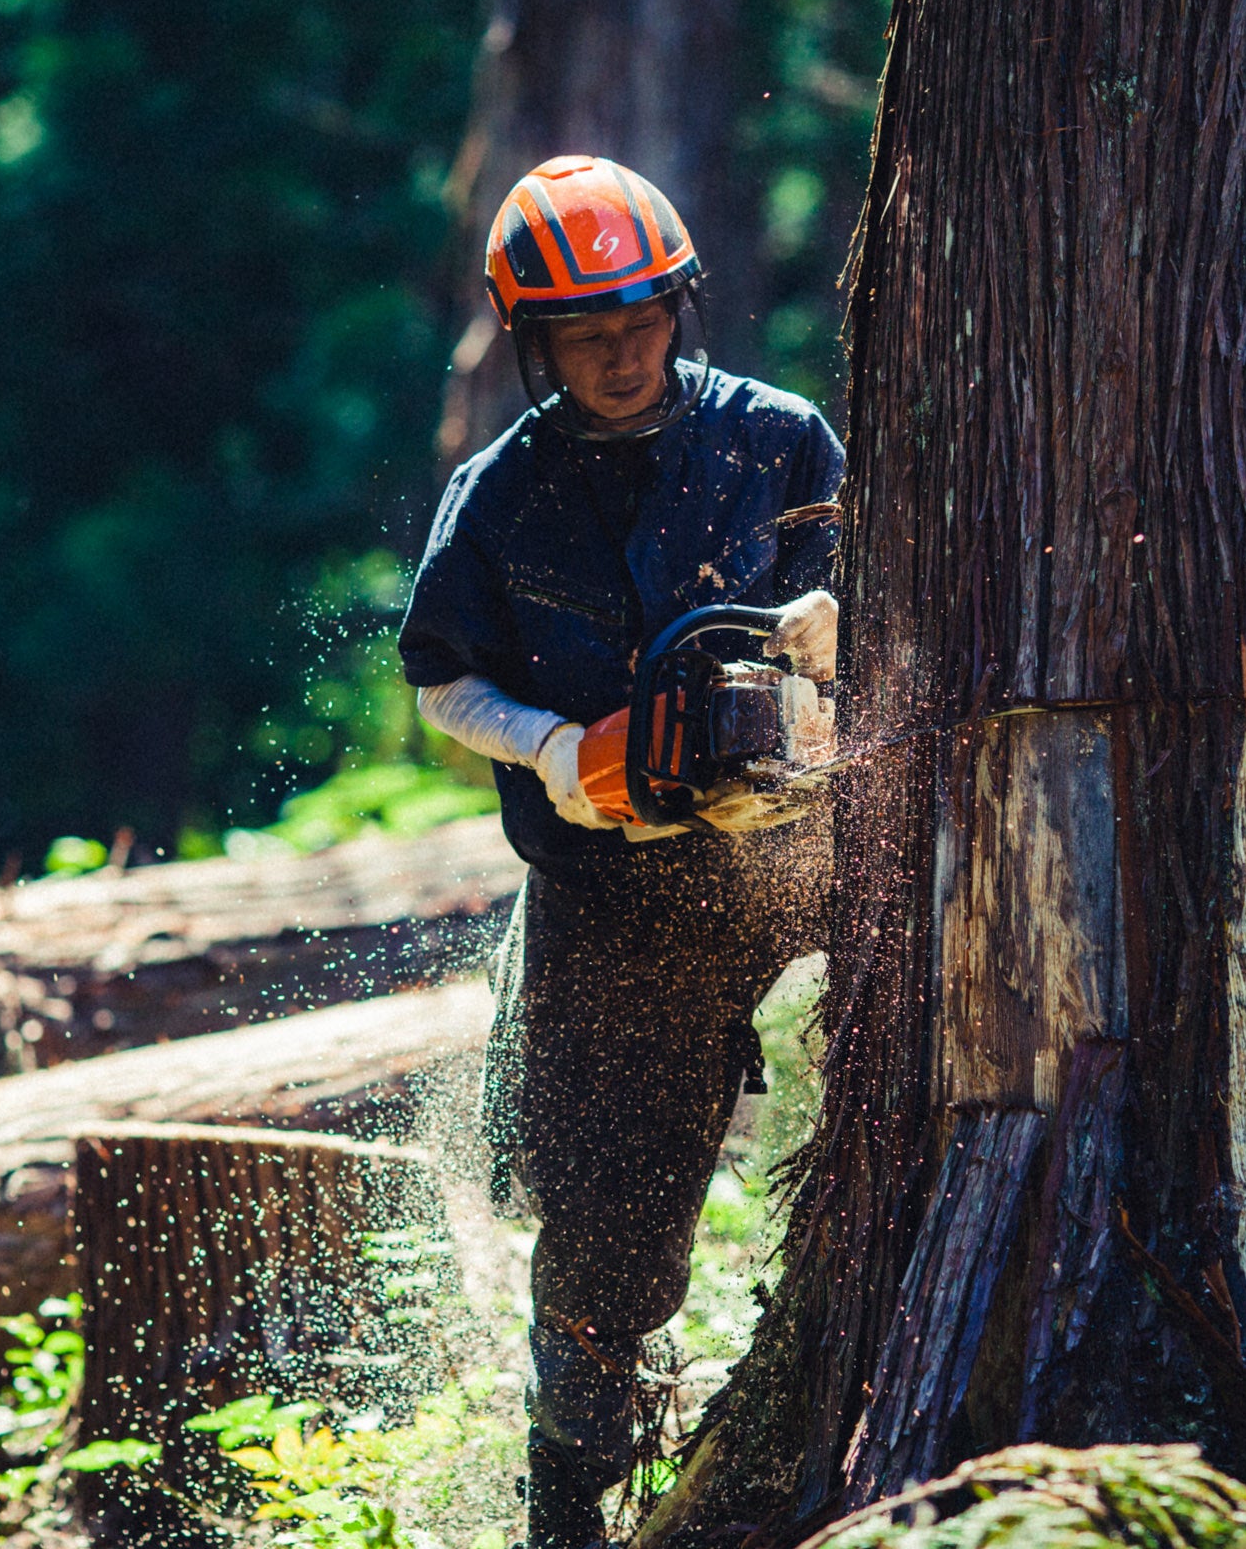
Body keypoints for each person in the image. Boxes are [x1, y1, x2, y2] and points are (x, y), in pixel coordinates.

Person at [398, 155, 841, 1549]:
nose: (621, 351)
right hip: (612, 893)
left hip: (808, 859)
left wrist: (835, 632)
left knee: (908, 1082)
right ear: (537, 338)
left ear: (680, 305)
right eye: (588, 332)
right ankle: (573, 1500)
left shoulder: (782, 441)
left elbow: (901, 604)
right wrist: (547, 749)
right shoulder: (502, 490)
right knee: (602, 1223)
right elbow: (439, 677)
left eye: (643, 319)